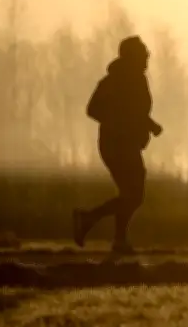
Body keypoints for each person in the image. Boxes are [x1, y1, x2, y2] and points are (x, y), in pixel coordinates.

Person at [73, 35, 163, 254]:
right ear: (133, 57)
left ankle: (117, 239)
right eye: (143, 54)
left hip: (128, 144)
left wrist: (150, 125)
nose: (147, 57)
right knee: (133, 194)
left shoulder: (138, 80)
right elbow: (93, 109)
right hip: (115, 145)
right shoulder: (113, 81)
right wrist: (120, 124)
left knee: (130, 194)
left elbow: (136, 112)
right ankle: (90, 219)